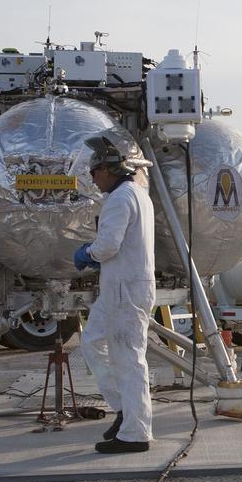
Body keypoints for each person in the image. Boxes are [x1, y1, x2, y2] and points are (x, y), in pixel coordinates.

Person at [74, 134, 157, 454]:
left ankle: (136, 433)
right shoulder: (136, 193)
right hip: (120, 287)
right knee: (92, 342)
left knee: (128, 357)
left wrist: (87, 253)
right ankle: (124, 409)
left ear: (107, 170)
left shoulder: (120, 198)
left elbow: (108, 246)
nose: (93, 181)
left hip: (125, 290)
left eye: (94, 174)